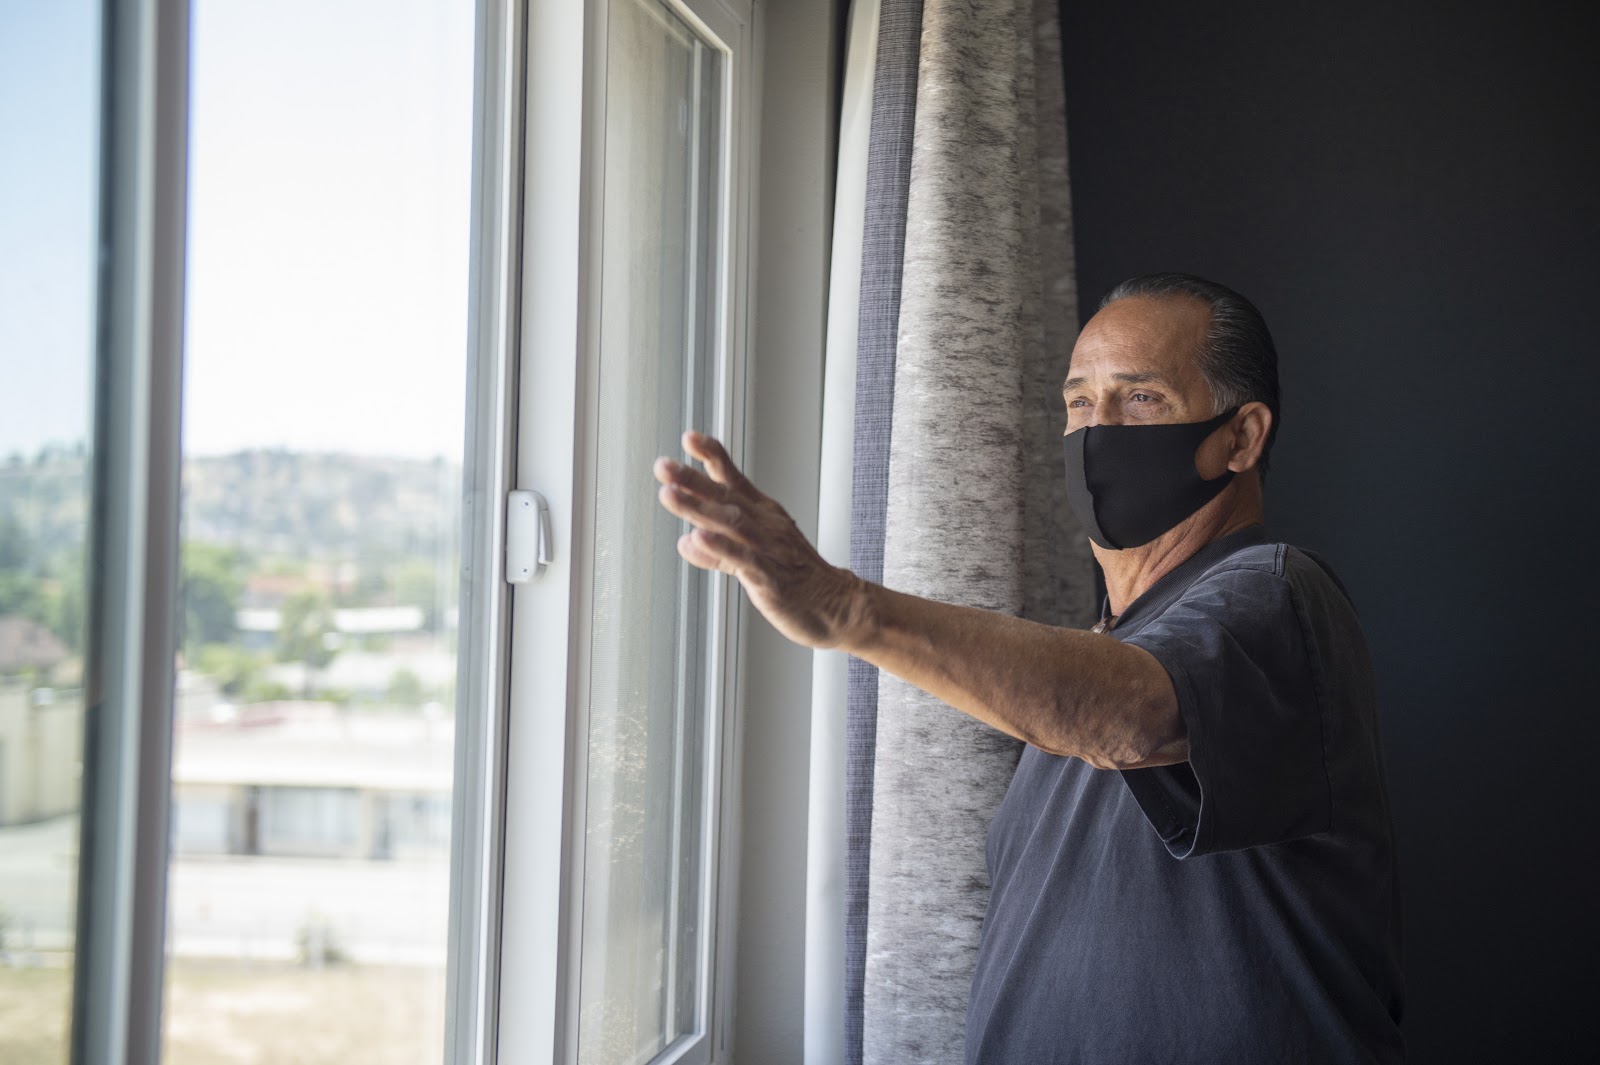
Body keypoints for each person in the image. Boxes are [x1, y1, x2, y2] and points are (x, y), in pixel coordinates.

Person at [653, 272, 1404, 1064]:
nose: (1097, 431)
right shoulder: (1087, 666)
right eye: (1079, 403)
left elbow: (1137, 712)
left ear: (1241, 438)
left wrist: (846, 608)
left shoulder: (1279, 595)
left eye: (1141, 398)